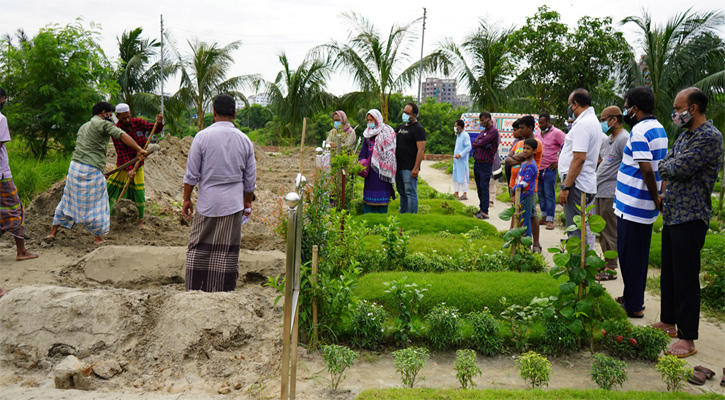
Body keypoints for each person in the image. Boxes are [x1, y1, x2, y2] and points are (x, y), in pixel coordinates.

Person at [653, 88, 723, 358]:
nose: (675, 113)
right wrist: (669, 164)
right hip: (673, 213)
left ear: (692, 109)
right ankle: (669, 321)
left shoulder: (709, 137)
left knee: (685, 278)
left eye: (678, 108)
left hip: (691, 215)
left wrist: (668, 164)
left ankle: (688, 338)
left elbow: (676, 167)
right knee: (670, 273)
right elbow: (669, 163)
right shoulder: (685, 136)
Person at [182, 94, 256, 292]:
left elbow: (191, 175)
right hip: (233, 203)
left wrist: (186, 199)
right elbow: (250, 180)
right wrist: (247, 202)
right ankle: (223, 291)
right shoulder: (245, 140)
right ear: (234, 113)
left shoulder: (202, 137)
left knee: (199, 247)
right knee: (227, 250)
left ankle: (195, 289)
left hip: (207, 202)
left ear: (213, 113)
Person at [47, 102, 147, 245]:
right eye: (110, 115)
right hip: (91, 169)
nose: (111, 118)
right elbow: (122, 135)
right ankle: (98, 238)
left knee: (67, 199)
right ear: (104, 113)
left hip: (75, 168)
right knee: (99, 203)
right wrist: (139, 149)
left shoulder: (84, 126)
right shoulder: (103, 124)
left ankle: (52, 233)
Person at [614, 86, 668, 318]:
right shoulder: (659, 129)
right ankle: (631, 296)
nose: (626, 111)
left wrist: (656, 195)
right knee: (637, 254)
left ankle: (634, 304)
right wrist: (658, 196)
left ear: (634, 108)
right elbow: (663, 168)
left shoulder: (639, 131)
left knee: (629, 256)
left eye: (626, 107)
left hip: (633, 204)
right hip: (643, 206)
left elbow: (647, 169)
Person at [0, 87, 38, 296]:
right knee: (16, 210)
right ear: (2, 99)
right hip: (1, 175)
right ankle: (21, 251)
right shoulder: (0, 118)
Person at [106, 103, 163, 229]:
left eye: (128, 117)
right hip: (123, 164)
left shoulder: (137, 122)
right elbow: (122, 152)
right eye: (123, 118)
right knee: (111, 190)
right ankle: (107, 215)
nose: (126, 120)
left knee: (138, 192)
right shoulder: (116, 130)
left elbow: (154, 128)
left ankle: (140, 221)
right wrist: (129, 169)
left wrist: (158, 123)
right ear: (117, 116)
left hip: (139, 164)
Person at [558, 89, 600, 249]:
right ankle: (583, 265)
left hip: (576, 184)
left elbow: (579, 158)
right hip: (584, 182)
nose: (570, 109)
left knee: (575, 232)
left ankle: (577, 268)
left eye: (570, 105)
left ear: (575, 104)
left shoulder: (583, 124)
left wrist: (566, 186)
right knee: (583, 228)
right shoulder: (592, 121)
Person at [594, 106, 628, 281]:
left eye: (604, 119)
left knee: (610, 229)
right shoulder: (608, 140)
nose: (602, 123)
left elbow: (628, 165)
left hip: (611, 191)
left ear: (614, 120)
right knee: (602, 229)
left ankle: (611, 266)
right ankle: (607, 261)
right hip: (600, 190)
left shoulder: (624, 139)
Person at [506, 115, 543, 251]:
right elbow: (508, 160)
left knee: (531, 214)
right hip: (515, 184)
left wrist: (516, 158)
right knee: (516, 211)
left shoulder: (535, 144)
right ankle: (513, 236)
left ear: (530, 128)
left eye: (522, 128)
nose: (520, 130)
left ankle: (535, 243)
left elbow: (516, 158)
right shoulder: (518, 143)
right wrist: (516, 159)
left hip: (528, 188)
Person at [359, 109, 396, 213]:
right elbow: (362, 153)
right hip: (371, 172)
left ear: (377, 120)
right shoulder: (367, 135)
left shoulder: (387, 133)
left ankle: (382, 218)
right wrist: (362, 163)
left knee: (382, 195)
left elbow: (391, 153)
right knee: (369, 196)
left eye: (372, 120)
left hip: (383, 171)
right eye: (368, 120)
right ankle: (369, 217)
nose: (370, 122)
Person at [535, 113, 566, 230]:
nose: (540, 125)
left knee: (549, 194)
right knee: (540, 194)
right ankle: (543, 216)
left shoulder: (557, 133)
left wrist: (559, 162)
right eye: (539, 122)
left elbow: (566, 146)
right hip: (539, 168)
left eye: (542, 122)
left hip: (550, 169)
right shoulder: (537, 134)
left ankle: (550, 219)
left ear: (549, 122)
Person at [395, 102, 426, 214]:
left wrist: (416, 168)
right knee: (402, 193)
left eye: (407, 113)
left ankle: (412, 217)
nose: (404, 115)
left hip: (409, 167)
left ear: (414, 115)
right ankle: (403, 214)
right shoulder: (400, 127)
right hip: (398, 166)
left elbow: (421, 150)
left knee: (410, 193)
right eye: (404, 112)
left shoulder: (418, 129)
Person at [471, 111, 499, 219]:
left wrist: (481, 143)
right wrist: (481, 143)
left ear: (488, 119)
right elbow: (475, 144)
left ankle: (485, 212)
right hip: (478, 162)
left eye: (483, 120)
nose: (481, 122)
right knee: (479, 187)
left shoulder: (493, 131)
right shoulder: (483, 132)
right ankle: (481, 208)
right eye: (480, 120)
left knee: (484, 187)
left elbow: (481, 142)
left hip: (486, 164)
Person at [513, 138, 539, 239]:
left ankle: (527, 242)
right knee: (520, 217)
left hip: (527, 195)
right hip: (521, 195)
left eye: (528, 148)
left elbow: (524, 182)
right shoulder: (524, 162)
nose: (525, 150)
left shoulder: (531, 165)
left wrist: (515, 188)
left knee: (526, 219)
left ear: (534, 151)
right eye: (524, 148)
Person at [452, 119, 471, 200]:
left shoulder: (465, 135)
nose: (455, 128)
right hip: (456, 161)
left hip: (462, 160)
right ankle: (456, 192)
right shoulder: (458, 135)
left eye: (456, 126)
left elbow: (469, 147)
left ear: (459, 126)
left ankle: (464, 194)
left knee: (463, 177)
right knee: (456, 176)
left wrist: (460, 154)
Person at [505, 119, 522, 195]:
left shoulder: (527, 143)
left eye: (515, 130)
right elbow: (508, 157)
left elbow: (523, 158)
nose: (513, 132)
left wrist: (513, 159)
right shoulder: (516, 141)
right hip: (511, 171)